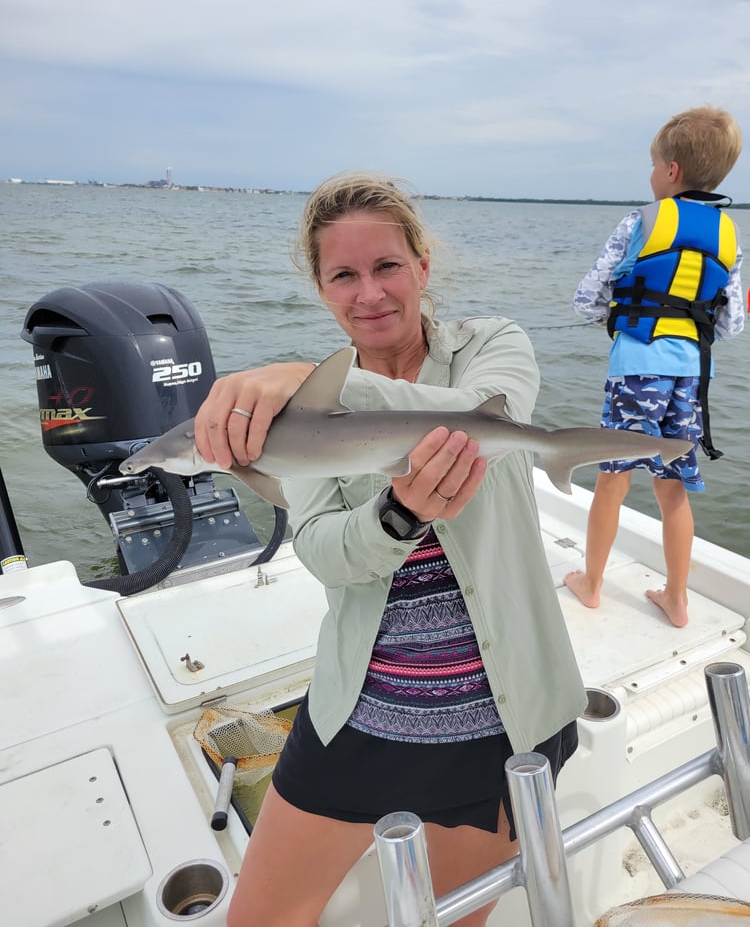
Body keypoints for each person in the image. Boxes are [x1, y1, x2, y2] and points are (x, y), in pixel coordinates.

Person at [194, 172, 587, 927]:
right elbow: (323, 553)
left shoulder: (491, 345)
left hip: (499, 722)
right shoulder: (302, 406)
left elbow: (480, 426)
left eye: (387, 267)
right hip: (361, 717)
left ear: (423, 267)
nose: (369, 293)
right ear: (320, 286)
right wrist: (399, 515)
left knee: (455, 920)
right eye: (344, 274)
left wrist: (306, 386)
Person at [564, 106, 744, 628]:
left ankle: (592, 584)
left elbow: (586, 299)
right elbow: (730, 327)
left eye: (652, 165)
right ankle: (678, 600)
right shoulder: (729, 234)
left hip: (635, 371)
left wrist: (617, 311)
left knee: (612, 479)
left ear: (670, 171)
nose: (650, 175)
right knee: (673, 488)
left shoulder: (640, 220)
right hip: (690, 379)